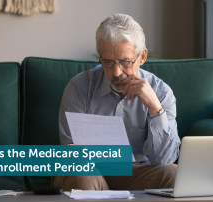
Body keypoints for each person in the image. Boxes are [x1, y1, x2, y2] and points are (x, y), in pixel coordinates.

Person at [51, 13, 181, 191]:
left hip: (135, 172)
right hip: (88, 169)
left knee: (172, 173)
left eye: (126, 62)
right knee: (83, 173)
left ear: (142, 57)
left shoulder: (161, 92)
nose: (116, 72)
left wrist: (154, 108)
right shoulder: (79, 87)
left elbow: (164, 160)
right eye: (108, 62)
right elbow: (70, 153)